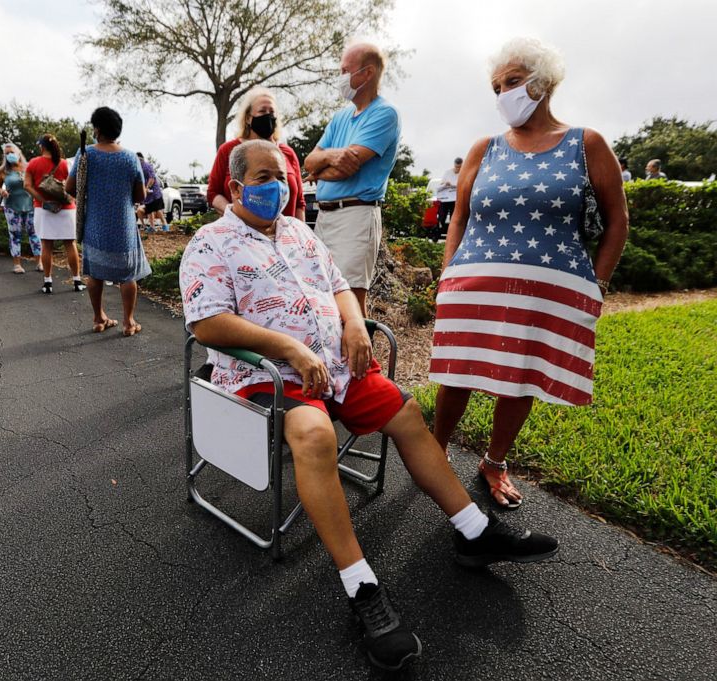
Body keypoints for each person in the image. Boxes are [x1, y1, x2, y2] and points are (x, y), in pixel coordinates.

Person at [180, 140, 559, 672]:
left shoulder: (298, 231)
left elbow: (337, 288)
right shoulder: (211, 242)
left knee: (405, 412)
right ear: (238, 187)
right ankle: (361, 588)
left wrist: (355, 324)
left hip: (335, 366)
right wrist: (289, 347)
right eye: (265, 177)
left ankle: (474, 531)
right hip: (265, 372)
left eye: (284, 176)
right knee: (314, 436)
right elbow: (207, 322)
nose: (279, 185)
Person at [429, 37, 629, 508]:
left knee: (522, 375)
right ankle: (433, 454)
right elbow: (459, 217)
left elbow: (617, 220)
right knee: (457, 371)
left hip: (549, 291)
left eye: (513, 82)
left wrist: (596, 284)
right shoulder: (485, 148)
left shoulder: (587, 143)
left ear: (543, 83)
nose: (503, 94)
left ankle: (493, 462)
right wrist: (446, 275)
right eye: (496, 86)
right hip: (472, 283)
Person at [304, 43, 401, 316]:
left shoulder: (385, 114)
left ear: (367, 73)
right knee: (323, 295)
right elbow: (309, 162)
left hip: (356, 215)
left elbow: (345, 170)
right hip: (325, 217)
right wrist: (333, 157)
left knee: (350, 301)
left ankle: (361, 359)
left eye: (345, 70)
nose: (340, 76)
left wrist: (322, 167)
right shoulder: (340, 117)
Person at [66, 107, 150, 336]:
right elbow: (141, 196)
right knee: (127, 276)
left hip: (95, 223)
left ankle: (98, 318)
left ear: (98, 129)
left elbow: (70, 187)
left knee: (94, 273)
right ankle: (128, 322)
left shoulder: (86, 154)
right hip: (123, 225)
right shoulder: (130, 157)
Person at [207, 88, 306, 222]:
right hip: (239, 235)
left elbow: (299, 203)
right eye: (262, 111)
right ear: (248, 118)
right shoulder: (228, 150)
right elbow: (213, 193)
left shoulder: (288, 153)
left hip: (284, 237)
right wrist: (235, 217)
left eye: (272, 112)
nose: (268, 116)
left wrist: (299, 234)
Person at [25, 133, 83, 291]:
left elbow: (27, 185)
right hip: (66, 208)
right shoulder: (65, 164)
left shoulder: (33, 163)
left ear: (42, 146)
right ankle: (77, 280)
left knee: (46, 245)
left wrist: (43, 200)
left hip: (44, 209)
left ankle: (48, 282)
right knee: (70, 244)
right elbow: (73, 186)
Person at [0, 142, 41, 274]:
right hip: (12, 207)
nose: (9, 155)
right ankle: (17, 264)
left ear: (18, 153)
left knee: (35, 234)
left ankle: (39, 262)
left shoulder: (28, 167)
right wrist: (0, 191)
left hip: (30, 205)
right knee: (15, 235)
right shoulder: (3, 170)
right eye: (6, 153)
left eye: (11, 152)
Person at [136, 152, 165, 230]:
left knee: (158, 210)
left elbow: (151, 178)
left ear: (141, 159)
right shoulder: (138, 167)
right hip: (147, 194)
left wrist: (147, 187)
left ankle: (165, 225)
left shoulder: (147, 166)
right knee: (149, 210)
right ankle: (152, 227)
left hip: (154, 193)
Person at [435, 157, 462, 238]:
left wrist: (454, 185)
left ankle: (452, 236)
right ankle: (437, 234)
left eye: (459, 167)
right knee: (442, 217)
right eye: (456, 167)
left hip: (455, 199)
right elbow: (440, 186)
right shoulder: (447, 173)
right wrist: (445, 184)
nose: (457, 169)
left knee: (453, 218)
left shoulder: (463, 173)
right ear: (454, 165)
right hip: (445, 199)